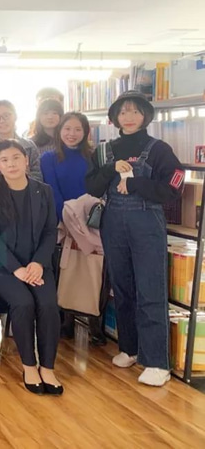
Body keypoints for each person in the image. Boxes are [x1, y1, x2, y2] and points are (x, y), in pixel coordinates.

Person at [86, 91, 184, 387]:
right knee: (122, 287)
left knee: (150, 289)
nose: (128, 117)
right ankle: (129, 348)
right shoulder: (105, 150)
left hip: (146, 222)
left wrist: (137, 183)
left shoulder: (159, 149)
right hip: (113, 222)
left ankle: (157, 362)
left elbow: (175, 185)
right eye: (123, 112)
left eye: (135, 111)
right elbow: (91, 186)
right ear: (115, 117)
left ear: (145, 116)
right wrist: (110, 169)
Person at [0, 140, 62, 395]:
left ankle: (47, 367)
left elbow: (50, 231)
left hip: (37, 264)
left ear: (26, 161)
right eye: (4, 160)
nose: (11, 164)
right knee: (23, 302)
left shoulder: (43, 191)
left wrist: (38, 262)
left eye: (16, 158)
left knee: (48, 304)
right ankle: (29, 365)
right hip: (1, 267)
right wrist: (16, 268)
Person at [40, 112, 104, 343]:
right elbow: (52, 191)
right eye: (67, 129)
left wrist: (85, 223)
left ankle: (94, 321)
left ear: (86, 132)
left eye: (78, 129)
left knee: (93, 268)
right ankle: (65, 320)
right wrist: (69, 221)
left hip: (91, 221)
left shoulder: (95, 156)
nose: (72, 134)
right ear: (60, 131)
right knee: (65, 269)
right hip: (62, 221)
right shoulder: (48, 158)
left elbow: (99, 189)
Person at [0, 100, 42, 189]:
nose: (2, 121)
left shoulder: (29, 146)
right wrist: (16, 185)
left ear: (15, 117)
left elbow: (37, 177)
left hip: (27, 195)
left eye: (6, 116)